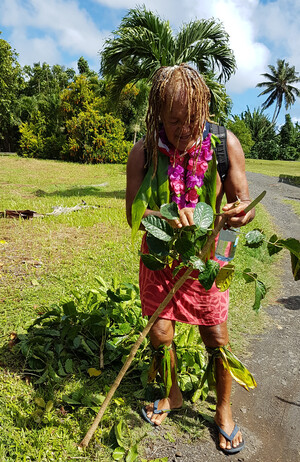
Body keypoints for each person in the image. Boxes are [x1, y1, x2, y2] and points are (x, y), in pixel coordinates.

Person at [126, 64, 255, 455]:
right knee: (160, 334)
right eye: (174, 120)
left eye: (192, 118)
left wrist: (239, 215)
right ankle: (172, 395)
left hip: (211, 253)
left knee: (216, 337)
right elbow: (133, 213)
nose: (184, 128)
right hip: (160, 255)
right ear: (157, 113)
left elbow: (243, 203)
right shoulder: (145, 151)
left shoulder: (223, 144)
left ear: (204, 107)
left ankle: (223, 411)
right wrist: (165, 216)